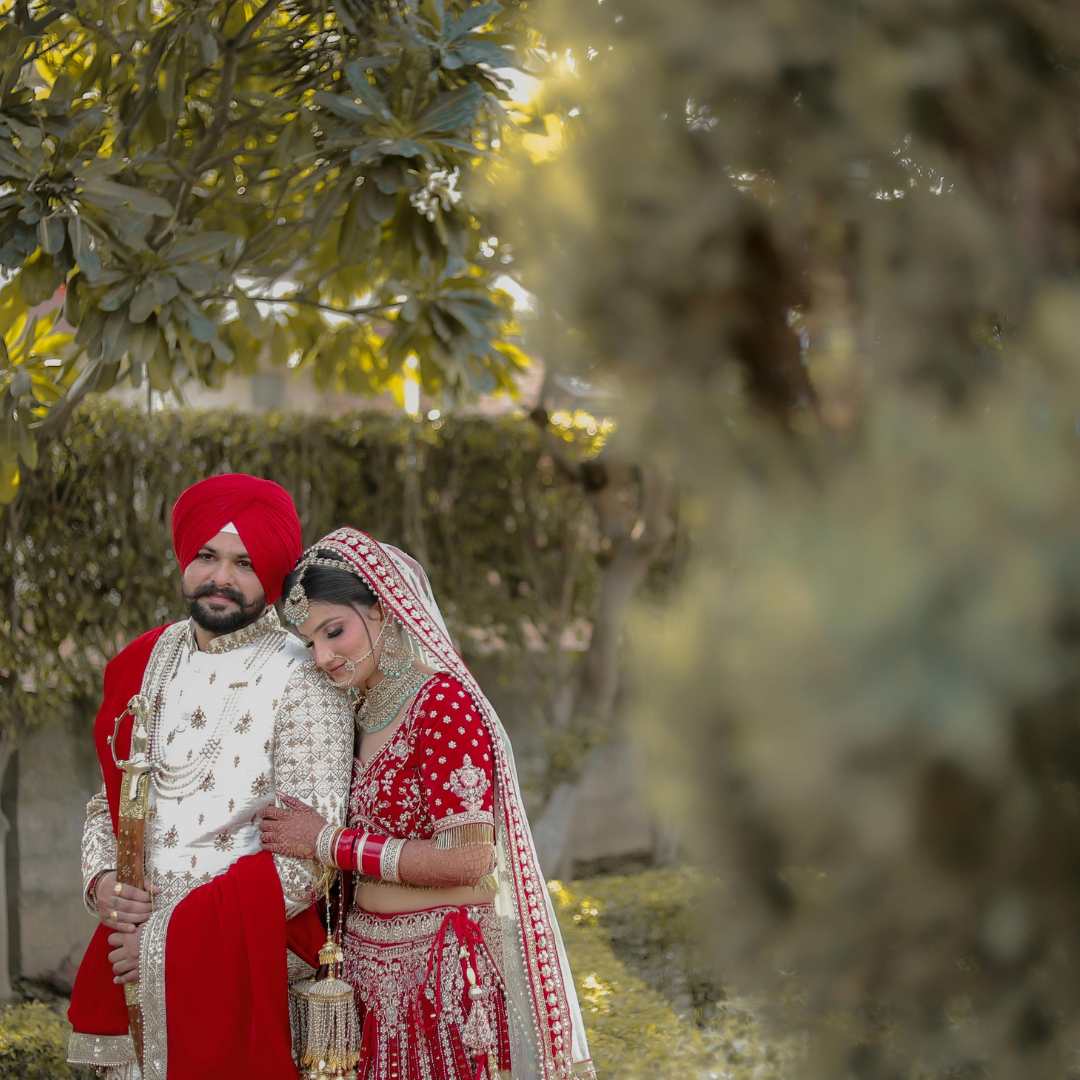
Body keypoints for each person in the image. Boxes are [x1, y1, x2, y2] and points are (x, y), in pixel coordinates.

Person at [259, 526, 596, 1080]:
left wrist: (327, 841)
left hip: (439, 976)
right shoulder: (355, 713)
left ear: (382, 609)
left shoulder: (441, 702)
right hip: (365, 976)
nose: (321, 656)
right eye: (309, 642)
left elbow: (469, 859)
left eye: (334, 631)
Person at [67, 474, 355, 1080]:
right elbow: (108, 801)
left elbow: (308, 860)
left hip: (242, 965)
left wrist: (164, 943)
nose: (221, 577)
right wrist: (102, 881)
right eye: (207, 555)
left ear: (272, 573)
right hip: (131, 958)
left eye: (244, 563)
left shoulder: (306, 677)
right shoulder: (145, 660)